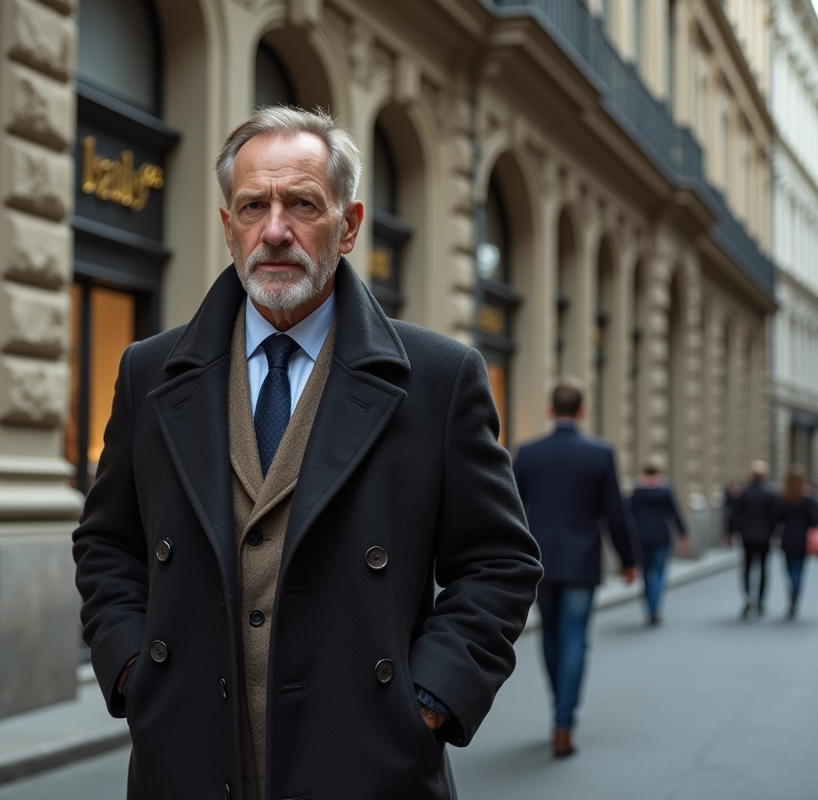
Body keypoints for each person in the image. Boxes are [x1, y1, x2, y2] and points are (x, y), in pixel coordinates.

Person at [73, 107, 543, 800]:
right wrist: (133, 673)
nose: (274, 230)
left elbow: (500, 561)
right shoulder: (150, 372)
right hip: (187, 760)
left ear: (348, 226)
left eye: (301, 204)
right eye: (253, 206)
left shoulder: (439, 379)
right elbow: (107, 543)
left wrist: (430, 699)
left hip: (367, 764)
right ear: (228, 225)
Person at [512, 379, 637, 758]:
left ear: (550, 409)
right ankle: (564, 722)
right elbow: (615, 513)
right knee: (575, 636)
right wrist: (629, 559)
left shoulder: (528, 453)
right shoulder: (600, 453)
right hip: (582, 558)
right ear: (583, 410)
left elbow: (509, 509)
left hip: (539, 558)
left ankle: (559, 706)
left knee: (550, 635)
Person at [628, 456, 689, 626]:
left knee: (646, 575)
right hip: (661, 536)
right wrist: (683, 535)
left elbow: (629, 514)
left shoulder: (637, 489)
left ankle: (649, 607)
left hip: (641, 537)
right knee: (660, 573)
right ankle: (655, 608)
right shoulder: (665, 489)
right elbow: (674, 513)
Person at [728, 460, 778, 618]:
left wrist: (731, 533)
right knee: (763, 568)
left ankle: (748, 597)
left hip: (747, 535)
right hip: (764, 536)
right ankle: (761, 601)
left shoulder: (744, 492)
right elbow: (774, 517)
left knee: (747, 567)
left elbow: (735, 515)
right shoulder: (770, 493)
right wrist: (774, 534)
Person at [775, 465, 816, 619]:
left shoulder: (783, 498)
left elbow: (776, 518)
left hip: (787, 537)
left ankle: (791, 594)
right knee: (798, 569)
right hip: (802, 538)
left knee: (788, 569)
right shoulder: (807, 499)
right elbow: (814, 520)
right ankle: (794, 596)